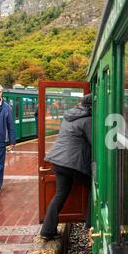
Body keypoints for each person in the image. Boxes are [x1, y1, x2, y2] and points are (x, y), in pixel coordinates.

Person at [40, 94, 92, 241]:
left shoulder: (68, 116)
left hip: (57, 160)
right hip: (72, 162)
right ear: (91, 106)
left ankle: (47, 230)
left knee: (60, 195)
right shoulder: (88, 120)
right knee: (94, 187)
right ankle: (91, 225)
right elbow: (95, 143)